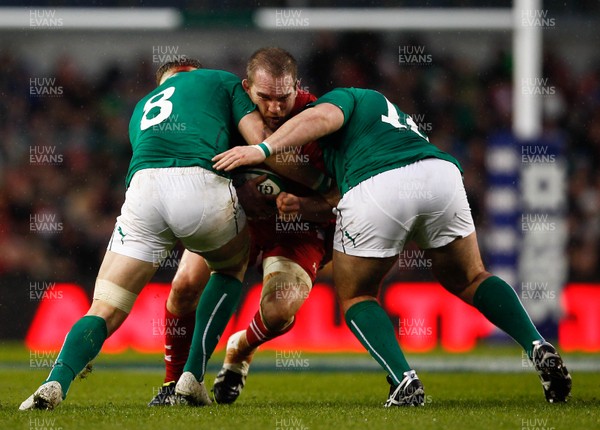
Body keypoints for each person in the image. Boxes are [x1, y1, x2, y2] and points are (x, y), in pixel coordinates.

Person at [213, 87, 573, 406]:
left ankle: (403, 379)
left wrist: (263, 148)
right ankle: (537, 345)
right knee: (471, 277)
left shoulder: (342, 98)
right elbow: (338, 194)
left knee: (357, 295)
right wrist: (305, 205)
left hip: (379, 188)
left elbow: (323, 117)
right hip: (439, 174)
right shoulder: (383, 116)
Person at [19, 58, 268, 410]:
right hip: (198, 186)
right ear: (192, 72)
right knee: (229, 268)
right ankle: (192, 376)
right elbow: (260, 140)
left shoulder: (141, 107)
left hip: (142, 192)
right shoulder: (219, 81)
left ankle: (55, 382)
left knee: (105, 306)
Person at [147, 47, 334, 407]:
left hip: (296, 228)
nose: (276, 108)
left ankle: (241, 347)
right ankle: (175, 385)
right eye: (265, 98)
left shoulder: (320, 119)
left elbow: (340, 194)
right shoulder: (223, 110)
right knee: (183, 286)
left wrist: (304, 203)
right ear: (247, 88)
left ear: (298, 87)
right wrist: (234, 188)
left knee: (279, 313)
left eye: (284, 98)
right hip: (237, 219)